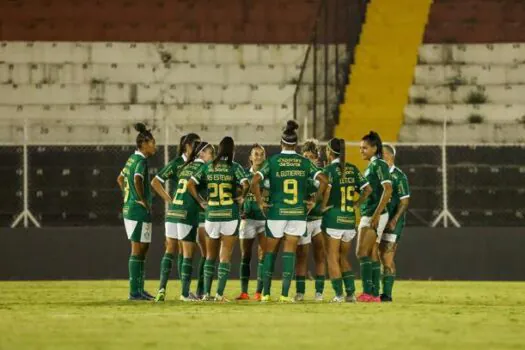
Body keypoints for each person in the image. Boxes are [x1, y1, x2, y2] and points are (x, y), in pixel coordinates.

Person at [251, 120, 328, 302]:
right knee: (290, 252)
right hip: (297, 213)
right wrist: (313, 201)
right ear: (296, 145)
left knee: (270, 252)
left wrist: (261, 202)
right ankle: (285, 295)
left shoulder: (273, 161)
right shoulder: (304, 162)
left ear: (281, 143)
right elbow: (324, 181)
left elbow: (254, 181)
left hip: (277, 212)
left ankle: (266, 294)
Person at [188, 136, 250, 302]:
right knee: (225, 257)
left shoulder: (209, 166)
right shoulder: (234, 167)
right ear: (232, 150)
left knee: (210, 256)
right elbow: (246, 184)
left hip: (212, 215)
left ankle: (206, 294)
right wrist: (242, 198)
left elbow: (190, 184)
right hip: (229, 214)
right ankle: (219, 295)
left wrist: (201, 201)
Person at [150, 133, 200, 301]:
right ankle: (185, 293)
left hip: (172, 213)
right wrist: (168, 198)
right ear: (186, 146)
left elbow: (155, 181)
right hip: (184, 212)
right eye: (195, 144)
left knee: (171, 250)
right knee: (186, 252)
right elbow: (155, 182)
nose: (198, 147)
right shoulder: (193, 165)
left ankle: (161, 290)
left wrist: (170, 202)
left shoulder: (178, 164)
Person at [321, 138, 372, 302]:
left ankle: (338, 295)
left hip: (333, 220)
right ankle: (350, 294)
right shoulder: (352, 168)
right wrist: (356, 204)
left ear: (330, 151)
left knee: (332, 258)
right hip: (349, 220)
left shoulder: (328, 170)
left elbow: (325, 191)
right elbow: (367, 189)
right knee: (343, 258)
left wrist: (322, 207)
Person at [117, 123, 157, 300]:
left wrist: (129, 196)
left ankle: (139, 289)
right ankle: (135, 291)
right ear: (144, 143)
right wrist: (140, 199)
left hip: (131, 209)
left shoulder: (131, 159)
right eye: (153, 143)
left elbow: (120, 179)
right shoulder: (140, 161)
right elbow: (137, 178)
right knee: (137, 248)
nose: (154, 146)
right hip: (137, 210)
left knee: (142, 248)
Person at [356, 131, 393, 302]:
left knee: (361, 251)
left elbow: (388, 189)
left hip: (374, 214)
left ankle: (367, 292)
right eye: (361, 148)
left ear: (374, 148)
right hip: (370, 212)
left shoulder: (379, 165)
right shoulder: (372, 165)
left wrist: (377, 214)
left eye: (364, 148)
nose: (361, 151)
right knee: (370, 252)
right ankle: (373, 294)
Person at [236, 144, 269, 301]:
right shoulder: (243, 176)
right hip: (247, 219)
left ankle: (259, 292)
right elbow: (237, 196)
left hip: (264, 220)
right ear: (250, 158)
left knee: (263, 255)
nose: (259, 157)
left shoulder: (268, 176)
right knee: (245, 255)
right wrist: (239, 206)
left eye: (261, 154)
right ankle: (244, 292)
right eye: (256, 154)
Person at [295, 139, 326, 302]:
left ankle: (319, 292)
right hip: (304, 220)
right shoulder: (298, 174)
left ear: (316, 158)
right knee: (301, 257)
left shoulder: (321, 174)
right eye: (305, 156)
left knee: (320, 256)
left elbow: (327, 191)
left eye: (311, 156)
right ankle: (300, 292)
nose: (307, 159)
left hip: (319, 220)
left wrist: (319, 202)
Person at [379, 144, 410, 302]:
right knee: (377, 256)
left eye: (381, 154)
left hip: (392, 223)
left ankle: (387, 294)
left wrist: (394, 219)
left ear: (389, 156)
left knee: (387, 257)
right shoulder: (378, 173)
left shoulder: (399, 176)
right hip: (379, 221)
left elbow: (405, 202)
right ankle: (377, 291)